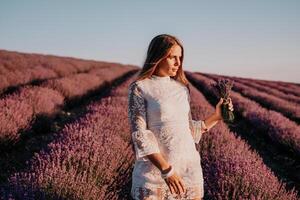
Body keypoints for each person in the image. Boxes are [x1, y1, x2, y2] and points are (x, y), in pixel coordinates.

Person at [127, 34, 234, 200]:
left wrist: (217, 116)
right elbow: (140, 135)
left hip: (188, 171)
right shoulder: (140, 88)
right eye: (172, 57)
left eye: (180, 57)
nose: (178, 63)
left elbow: (187, 130)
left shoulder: (182, 89)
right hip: (155, 174)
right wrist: (166, 170)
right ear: (158, 57)